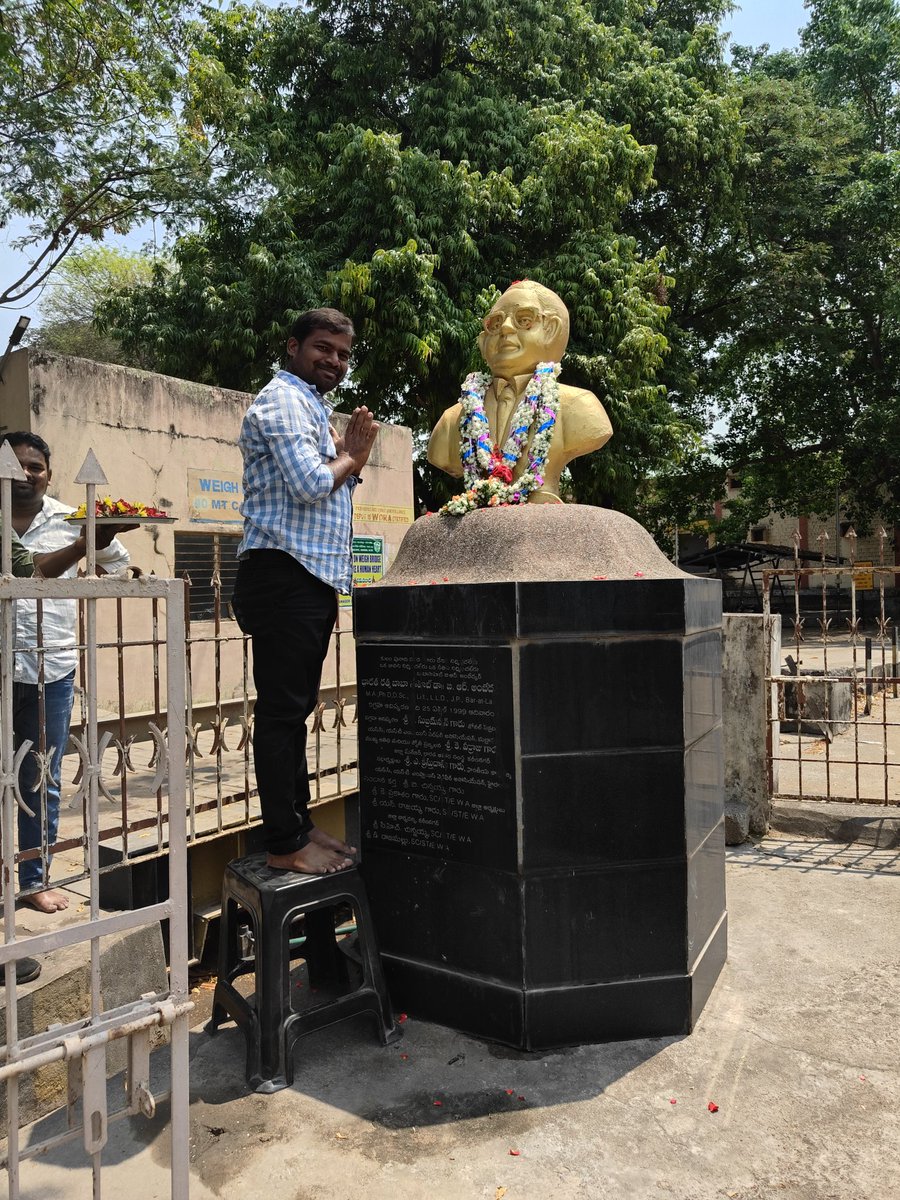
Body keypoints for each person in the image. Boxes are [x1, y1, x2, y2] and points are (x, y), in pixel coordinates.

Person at [232, 308, 379, 875]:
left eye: (343, 354)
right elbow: (313, 483)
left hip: (308, 576)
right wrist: (353, 457)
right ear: (293, 346)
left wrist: (345, 454)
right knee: (282, 714)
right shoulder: (283, 401)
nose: (335, 362)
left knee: (293, 713)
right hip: (283, 574)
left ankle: (297, 822)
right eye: (323, 348)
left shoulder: (310, 406)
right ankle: (283, 840)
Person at [3, 432, 131, 915]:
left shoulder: (70, 519)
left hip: (50, 667)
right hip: (1, 664)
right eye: (15, 466)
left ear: (48, 474)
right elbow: (31, 570)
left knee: (41, 775)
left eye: (34, 467)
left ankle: (34, 877)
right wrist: (84, 547)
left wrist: (101, 563)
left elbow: (117, 568)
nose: (26, 475)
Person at [427, 279, 613, 500]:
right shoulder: (452, 420)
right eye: (495, 324)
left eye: (523, 320)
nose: (505, 328)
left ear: (551, 330)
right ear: (482, 342)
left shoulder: (578, 404)